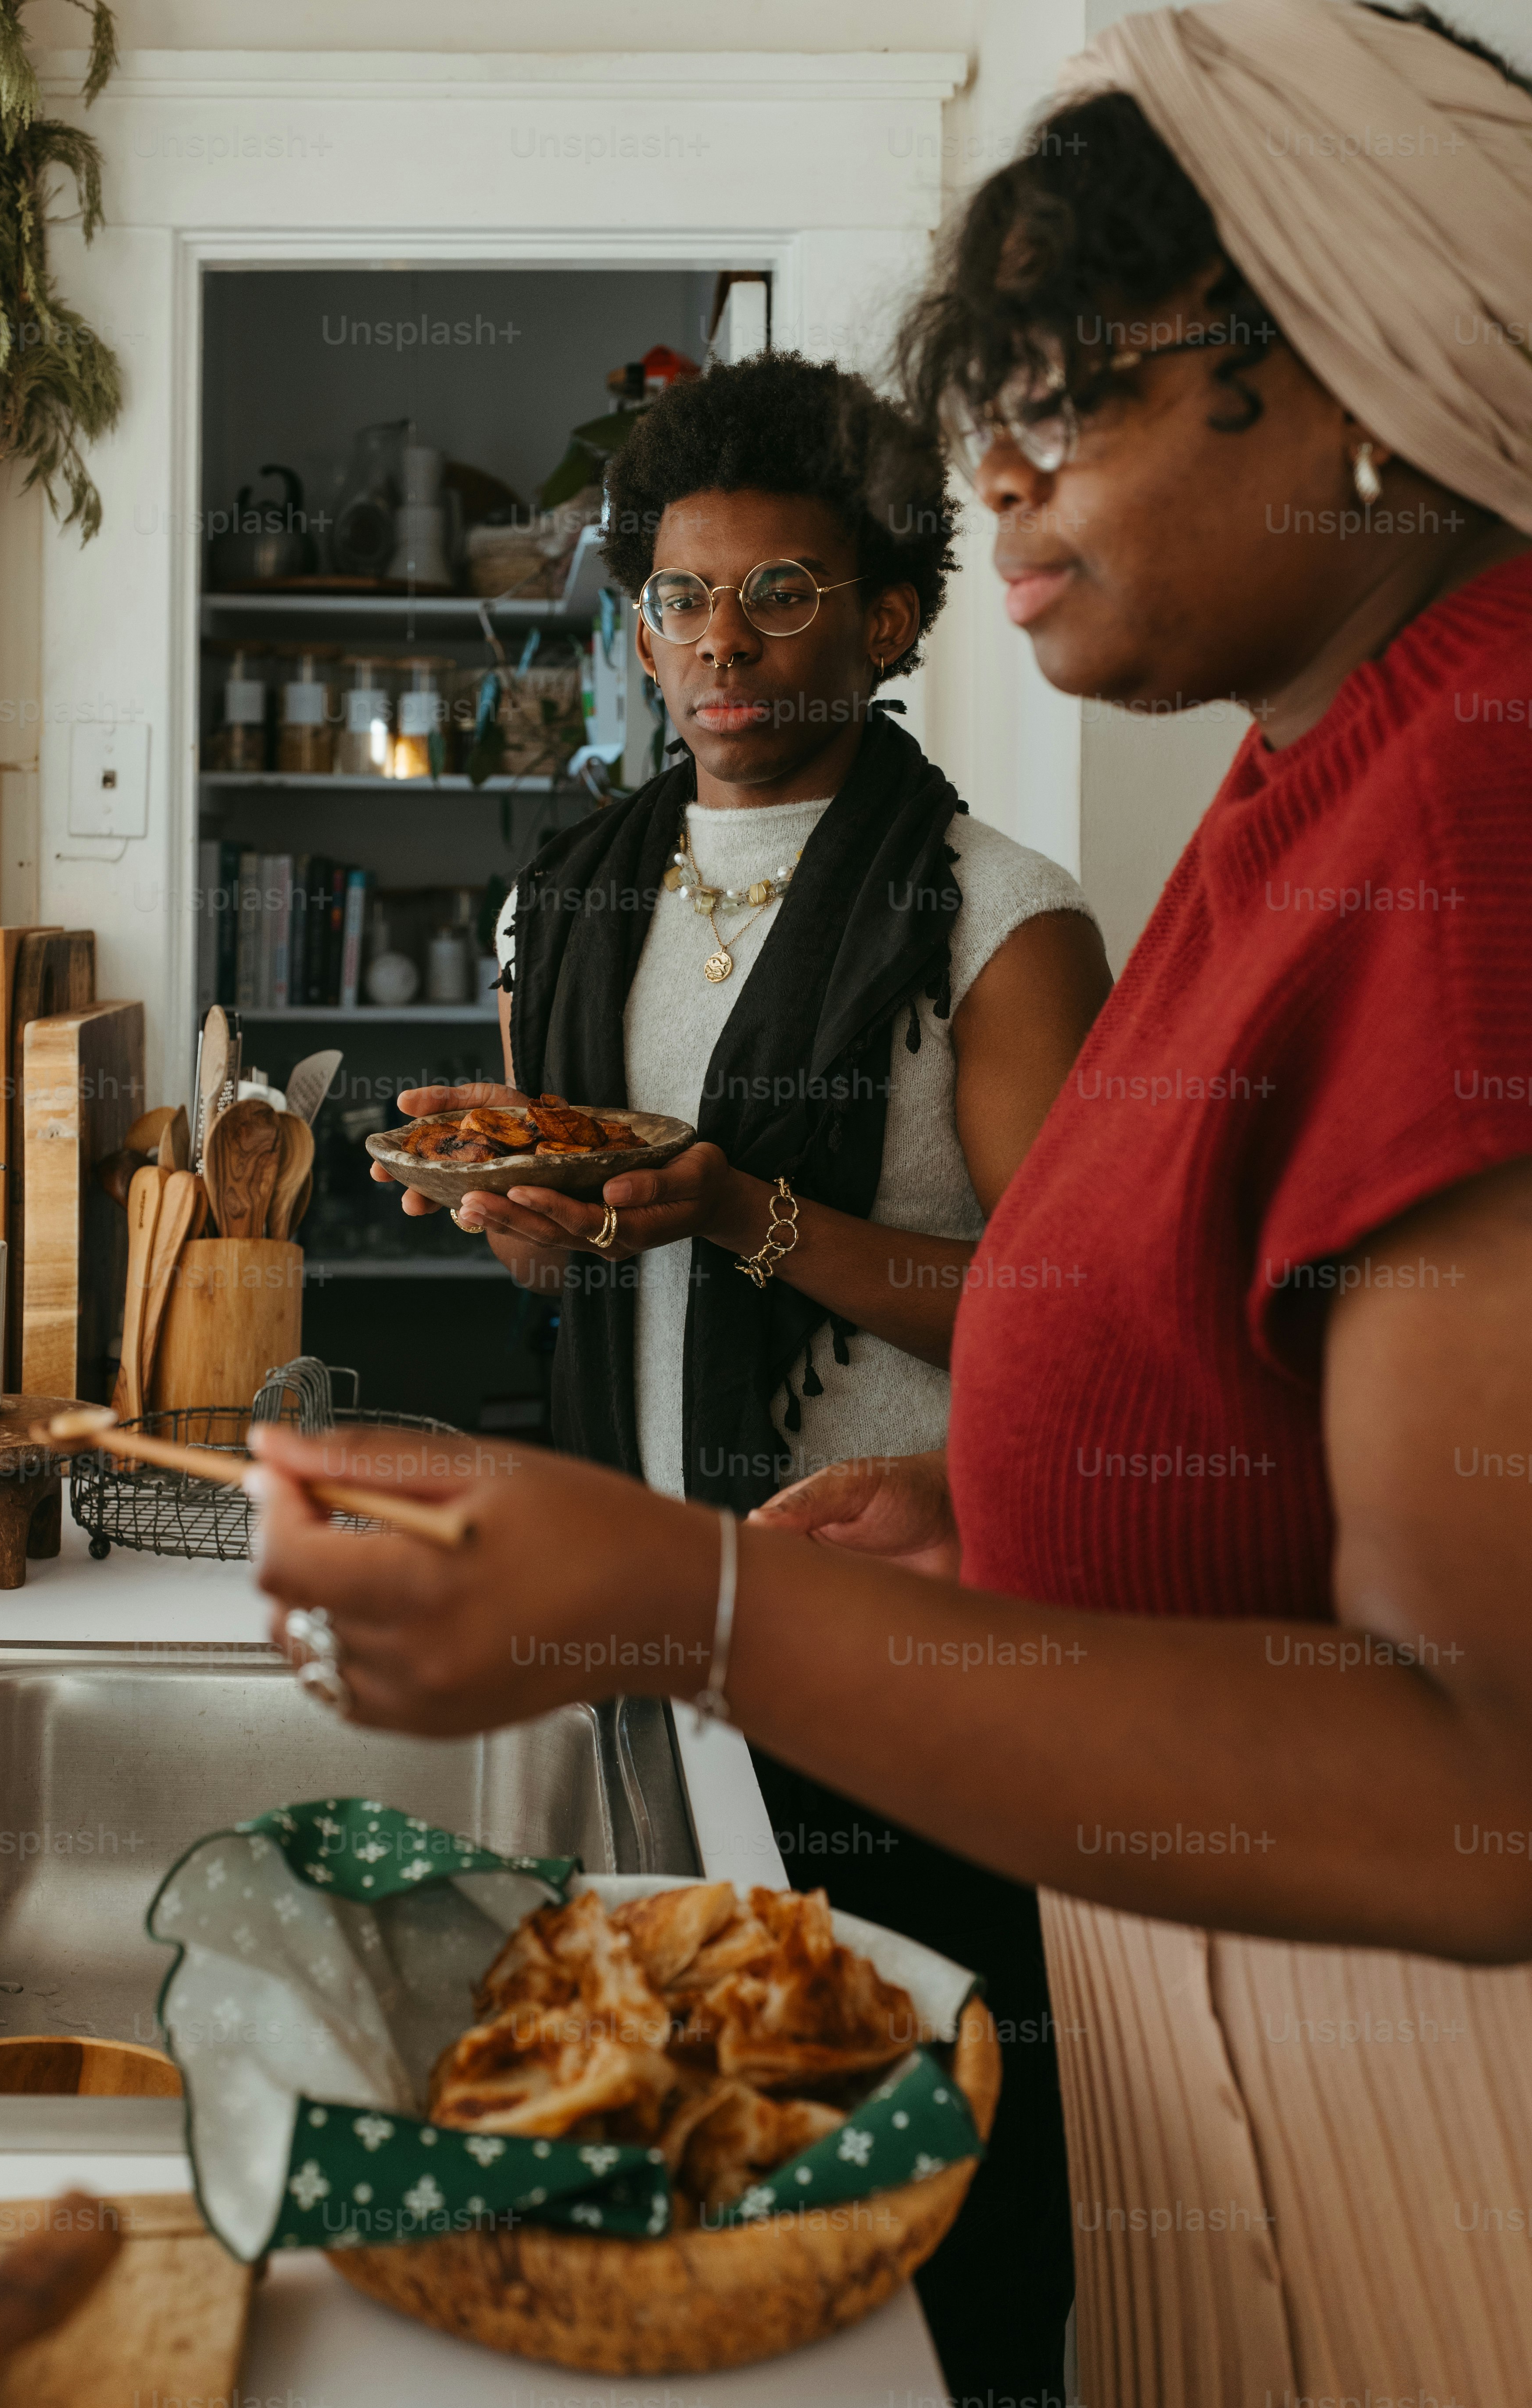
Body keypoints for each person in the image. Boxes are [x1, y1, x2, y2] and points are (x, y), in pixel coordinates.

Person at [258, 0, 1532, 2408]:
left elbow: (1483, 1789)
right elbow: (1267, 1395)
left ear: (1353, 351)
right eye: (986, 429)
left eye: (1058, 399)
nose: (1008, 487)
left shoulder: (1464, 810)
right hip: (1226, 2047)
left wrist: (694, 1594)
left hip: (1409, 2126)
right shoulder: (1309, 780)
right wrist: (999, 1502)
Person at [369, 349, 1112, 2388]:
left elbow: (1083, 1327)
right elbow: (576, 1227)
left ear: (885, 619)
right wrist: (528, 1219)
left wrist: (743, 1213)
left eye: (780, 593)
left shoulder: (997, 919)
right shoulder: (575, 892)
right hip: (647, 1614)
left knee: (931, 2148)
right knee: (698, 2143)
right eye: (678, 600)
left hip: (902, 1631)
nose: (720, 641)